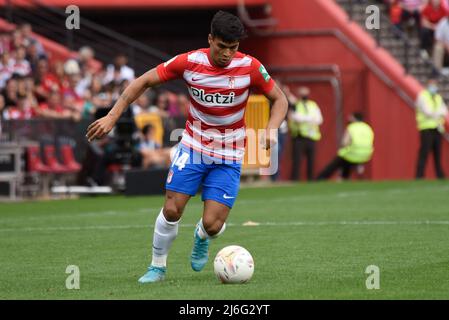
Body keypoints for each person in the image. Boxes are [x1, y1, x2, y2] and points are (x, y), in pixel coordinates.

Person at [85, 11, 288, 283]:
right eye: (221, 46)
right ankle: (157, 267)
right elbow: (143, 81)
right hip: (193, 146)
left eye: (233, 48)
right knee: (172, 209)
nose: (227, 54)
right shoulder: (189, 62)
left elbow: (280, 99)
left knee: (214, 225)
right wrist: (112, 116)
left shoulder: (250, 67)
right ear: (210, 39)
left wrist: (271, 129)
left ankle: (202, 236)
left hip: (229, 154)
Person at [316, 112, 374, 181]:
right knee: (346, 162)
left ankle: (321, 178)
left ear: (354, 119)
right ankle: (349, 174)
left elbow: (344, 143)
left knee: (339, 160)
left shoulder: (351, 127)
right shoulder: (368, 127)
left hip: (353, 153)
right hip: (366, 154)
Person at [288, 86, 323, 181]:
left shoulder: (313, 105)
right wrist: (310, 118)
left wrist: (304, 118)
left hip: (311, 136)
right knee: (297, 160)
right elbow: (295, 118)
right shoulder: (295, 104)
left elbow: (319, 119)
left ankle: (311, 179)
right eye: (302, 93)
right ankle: (295, 180)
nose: (304, 95)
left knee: (311, 161)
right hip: (299, 136)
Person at [415, 78, 448, 179]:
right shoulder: (422, 96)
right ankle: (419, 175)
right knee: (424, 152)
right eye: (432, 85)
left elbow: (444, 111)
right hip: (426, 128)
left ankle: (439, 174)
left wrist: (437, 113)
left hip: (438, 128)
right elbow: (428, 112)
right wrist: (438, 113)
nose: (434, 87)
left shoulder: (437, 97)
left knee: (437, 153)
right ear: (427, 85)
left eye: (435, 85)